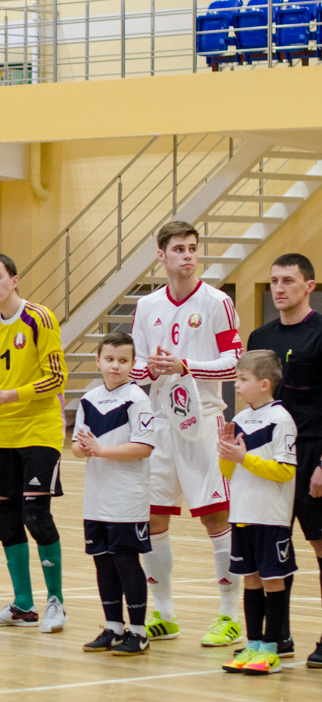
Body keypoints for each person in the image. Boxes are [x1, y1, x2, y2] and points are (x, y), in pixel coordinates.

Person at [129, 221, 244, 647]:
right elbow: (136, 366)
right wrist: (153, 368)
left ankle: (229, 615)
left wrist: (185, 367)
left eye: (193, 248)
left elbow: (234, 364)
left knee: (216, 515)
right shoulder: (146, 306)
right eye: (179, 249)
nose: (188, 256)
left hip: (203, 421)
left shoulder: (218, 301)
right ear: (161, 255)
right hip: (159, 424)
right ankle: (165, 612)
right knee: (153, 518)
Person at [0, 252, 69, 633]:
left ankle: (55, 601)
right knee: (6, 517)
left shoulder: (39, 318)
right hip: (5, 434)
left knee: (36, 515)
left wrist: (13, 395)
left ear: (15, 279)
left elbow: (56, 377)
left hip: (40, 430)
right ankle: (23, 605)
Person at [246, 252, 320, 667]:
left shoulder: (321, 333)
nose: (279, 288)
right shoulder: (261, 337)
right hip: (268, 455)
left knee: (319, 544)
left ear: (309, 286)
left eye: (288, 281)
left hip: (312, 451)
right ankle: (279, 636)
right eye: (274, 280)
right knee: (272, 546)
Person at [72, 332, 156, 656]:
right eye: (109, 359)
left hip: (127, 496)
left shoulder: (137, 399)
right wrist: (83, 449)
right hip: (96, 496)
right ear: (98, 360)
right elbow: (79, 447)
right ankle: (113, 627)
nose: (115, 366)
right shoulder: (89, 399)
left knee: (125, 560)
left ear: (133, 364)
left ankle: (138, 631)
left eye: (123, 360)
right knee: (103, 562)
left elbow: (143, 447)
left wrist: (99, 450)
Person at [218, 350, 297, 676]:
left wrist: (243, 458)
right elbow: (229, 471)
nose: (236, 385)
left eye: (242, 379)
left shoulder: (281, 420)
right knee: (250, 579)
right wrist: (225, 450)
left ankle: (272, 648)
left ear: (264, 384)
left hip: (271, 515)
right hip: (243, 512)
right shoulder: (243, 420)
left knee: (272, 579)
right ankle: (253, 645)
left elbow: (285, 470)